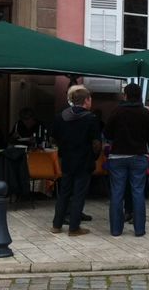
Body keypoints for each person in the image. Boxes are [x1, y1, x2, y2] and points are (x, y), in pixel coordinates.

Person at [104, 83, 149, 237]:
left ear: (125, 95)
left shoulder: (117, 112)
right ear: (140, 95)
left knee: (117, 193)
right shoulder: (145, 113)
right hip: (139, 156)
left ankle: (116, 230)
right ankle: (139, 230)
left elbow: (107, 133)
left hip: (118, 157)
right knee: (138, 192)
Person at [50, 85, 101, 236]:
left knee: (64, 193)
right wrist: (94, 156)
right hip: (84, 160)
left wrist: (63, 148)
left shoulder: (61, 116)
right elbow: (96, 143)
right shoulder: (91, 118)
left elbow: (53, 137)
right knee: (79, 194)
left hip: (66, 159)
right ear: (86, 100)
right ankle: (74, 227)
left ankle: (56, 225)